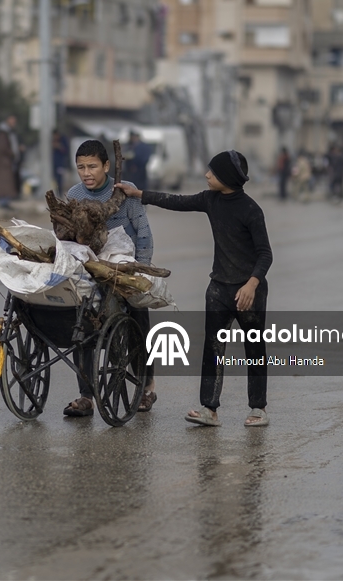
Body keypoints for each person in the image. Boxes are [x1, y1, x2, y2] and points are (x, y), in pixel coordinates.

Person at [116, 150, 273, 428]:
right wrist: (138, 193)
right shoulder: (210, 199)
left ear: (226, 177)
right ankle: (209, 409)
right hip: (218, 289)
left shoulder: (251, 210)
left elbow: (265, 254)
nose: (206, 175)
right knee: (213, 349)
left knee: (255, 348)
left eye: (212, 171)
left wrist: (252, 283)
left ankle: (258, 408)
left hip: (249, 291)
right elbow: (176, 201)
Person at [63, 139, 157, 417]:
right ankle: (85, 395)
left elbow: (143, 232)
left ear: (107, 166)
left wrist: (140, 268)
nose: (86, 173)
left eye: (92, 166)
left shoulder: (125, 193)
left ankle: (148, 386)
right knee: (80, 324)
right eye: (81, 167)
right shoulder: (74, 193)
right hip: (88, 265)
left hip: (122, 264)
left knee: (139, 317)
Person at [0, 116, 20, 208]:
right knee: (4, 184)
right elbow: (3, 148)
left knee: (8, 184)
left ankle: (6, 202)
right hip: (4, 163)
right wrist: (12, 153)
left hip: (8, 162)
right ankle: (3, 202)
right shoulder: (3, 134)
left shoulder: (10, 133)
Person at [52, 131, 70, 196]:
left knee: (59, 179)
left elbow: (66, 150)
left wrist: (59, 146)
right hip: (53, 164)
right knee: (54, 178)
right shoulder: (51, 141)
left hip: (60, 163)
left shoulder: (63, 140)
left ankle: (59, 193)